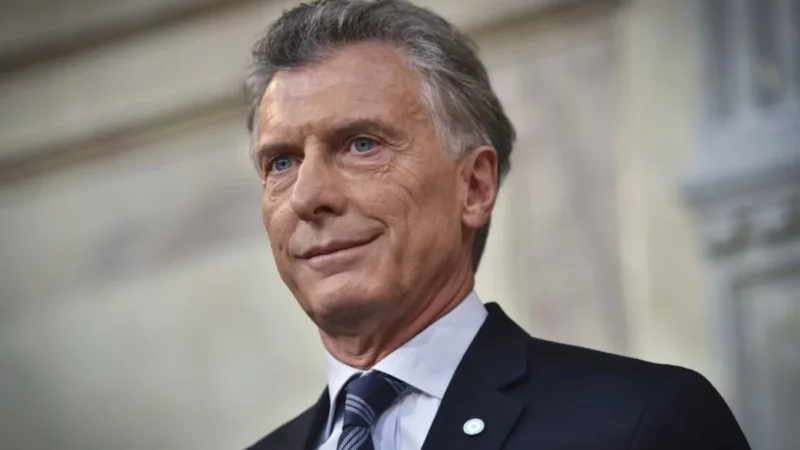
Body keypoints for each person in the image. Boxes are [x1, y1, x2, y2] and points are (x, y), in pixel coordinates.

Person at [242, 0, 750, 449]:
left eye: (361, 144)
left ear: (475, 187)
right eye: (281, 162)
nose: (308, 197)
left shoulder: (640, 423)